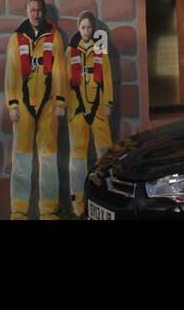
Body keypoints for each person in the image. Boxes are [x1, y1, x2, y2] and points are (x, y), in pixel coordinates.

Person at [5, 0, 67, 219]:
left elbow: (60, 69)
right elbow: (11, 72)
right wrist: (11, 102)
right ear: (26, 11)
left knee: (48, 161)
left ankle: (49, 211)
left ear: (44, 12)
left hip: (48, 106)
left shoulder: (55, 37)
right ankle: (18, 212)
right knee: (21, 162)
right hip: (22, 107)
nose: (36, 15)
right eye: (32, 10)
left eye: (39, 11)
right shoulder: (16, 38)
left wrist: (61, 100)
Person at [66, 11, 113, 217]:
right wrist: (65, 105)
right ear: (78, 28)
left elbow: (108, 79)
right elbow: (65, 81)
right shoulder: (71, 52)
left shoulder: (100, 51)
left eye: (89, 27)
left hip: (99, 109)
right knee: (78, 156)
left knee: (105, 151)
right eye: (83, 27)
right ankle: (78, 203)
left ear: (93, 29)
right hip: (77, 111)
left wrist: (108, 102)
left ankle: (108, 195)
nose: (86, 31)